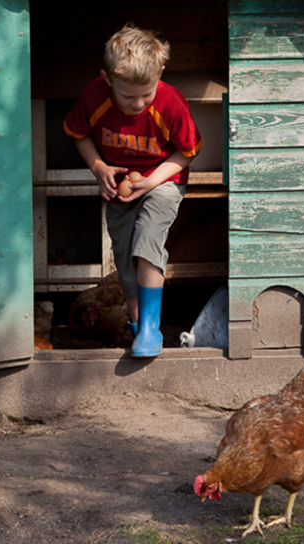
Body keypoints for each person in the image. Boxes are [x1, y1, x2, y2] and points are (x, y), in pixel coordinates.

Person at [64, 24, 203, 357]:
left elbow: (186, 152)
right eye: (128, 96)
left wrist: (152, 182)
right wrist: (99, 168)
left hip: (163, 181)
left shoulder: (170, 102)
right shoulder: (94, 96)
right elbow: (78, 132)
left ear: (160, 75)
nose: (139, 103)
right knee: (125, 256)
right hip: (121, 187)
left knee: (146, 240)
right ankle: (138, 327)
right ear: (107, 78)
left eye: (147, 94)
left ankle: (151, 329)